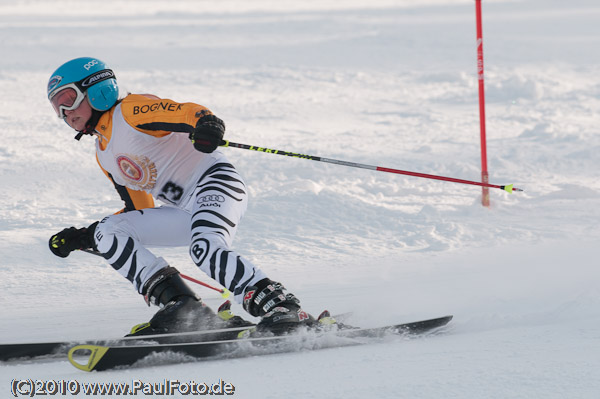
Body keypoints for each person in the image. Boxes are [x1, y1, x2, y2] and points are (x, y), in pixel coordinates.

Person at [47, 57, 315, 336]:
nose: (66, 113)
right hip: (184, 209)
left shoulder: (130, 111)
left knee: (204, 247)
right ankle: (184, 310)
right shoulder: (104, 154)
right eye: (58, 107)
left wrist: (206, 125)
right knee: (110, 231)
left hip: (215, 184)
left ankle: (282, 306)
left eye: (68, 99)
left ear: (97, 90)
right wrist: (86, 235)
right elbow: (137, 208)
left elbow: (186, 112)